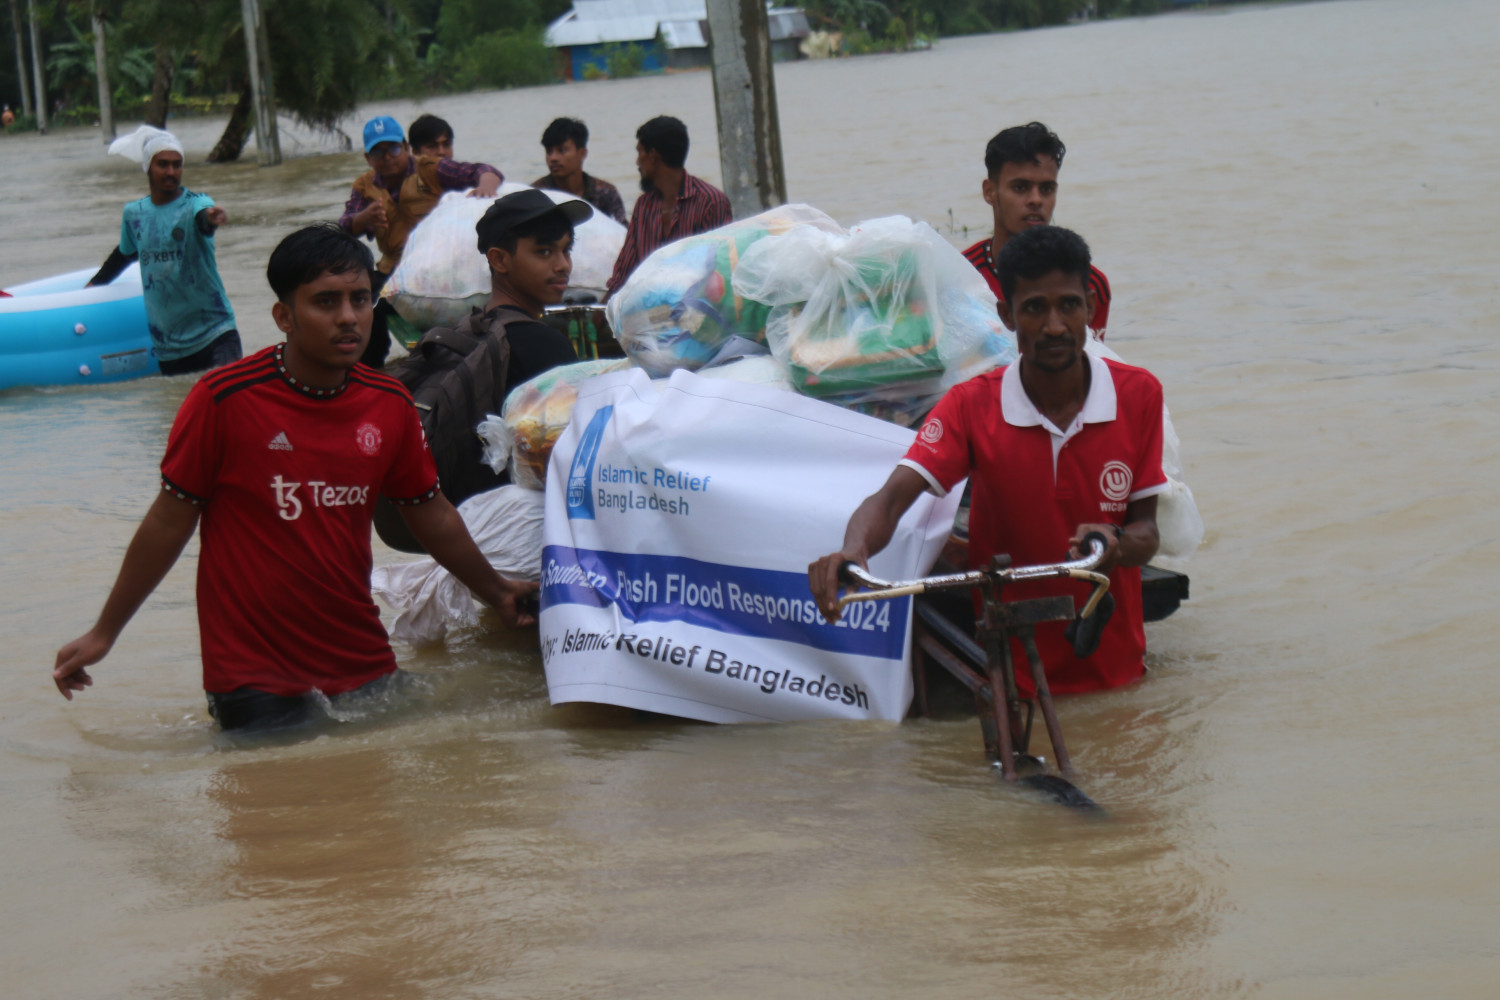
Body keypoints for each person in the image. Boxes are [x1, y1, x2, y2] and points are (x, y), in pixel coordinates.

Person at [52, 224, 539, 733]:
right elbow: (168, 524)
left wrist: (496, 592)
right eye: (326, 302)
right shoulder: (223, 400)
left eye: (360, 299)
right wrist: (105, 632)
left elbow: (431, 514)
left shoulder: (389, 404)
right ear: (284, 316)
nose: (348, 318)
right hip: (255, 678)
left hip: (363, 663)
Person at [809, 226, 1166, 697]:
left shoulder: (1138, 394)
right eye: (1035, 308)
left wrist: (1114, 541)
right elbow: (892, 499)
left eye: (1069, 305)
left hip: (1117, 674)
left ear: (1091, 309)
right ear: (1007, 315)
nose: (1054, 326)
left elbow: (1147, 531)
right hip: (1012, 677)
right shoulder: (970, 406)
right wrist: (853, 552)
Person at [373, 189, 589, 553]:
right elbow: (569, 461)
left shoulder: (463, 331)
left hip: (460, 532)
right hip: (514, 538)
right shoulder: (543, 346)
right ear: (499, 260)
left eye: (566, 250)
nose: (563, 264)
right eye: (544, 251)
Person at [338, 115, 503, 366]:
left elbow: (484, 171)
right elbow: (345, 226)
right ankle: (368, 369)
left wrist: (485, 188)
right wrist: (363, 218)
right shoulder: (364, 187)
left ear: (405, 148)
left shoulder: (430, 169)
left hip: (439, 262)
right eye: (378, 152)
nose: (388, 157)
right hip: (393, 269)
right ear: (368, 158)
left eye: (393, 148)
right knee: (364, 306)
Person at [89, 125, 241, 375]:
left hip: (215, 333)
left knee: (227, 400)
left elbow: (202, 218)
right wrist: (94, 285)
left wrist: (211, 217)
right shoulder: (134, 214)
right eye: (163, 164)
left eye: (177, 164)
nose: (171, 171)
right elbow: (125, 253)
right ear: (148, 167)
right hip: (169, 346)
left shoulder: (196, 203)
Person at [964, 122, 1113, 338]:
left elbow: (1089, 364)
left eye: (1046, 189)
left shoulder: (1088, 283)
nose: (1036, 200)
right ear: (990, 192)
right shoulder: (962, 278)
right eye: (1020, 188)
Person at [604, 115, 732, 299]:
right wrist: (603, 310)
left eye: (640, 153)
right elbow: (626, 269)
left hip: (698, 309)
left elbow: (720, 269)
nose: (637, 162)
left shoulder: (711, 202)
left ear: (653, 155)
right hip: (649, 308)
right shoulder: (644, 206)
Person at [532, 117, 627, 225]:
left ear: (582, 153)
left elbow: (622, 232)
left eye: (561, 151)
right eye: (549, 152)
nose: (553, 158)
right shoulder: (538, 195)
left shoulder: (605, 192)